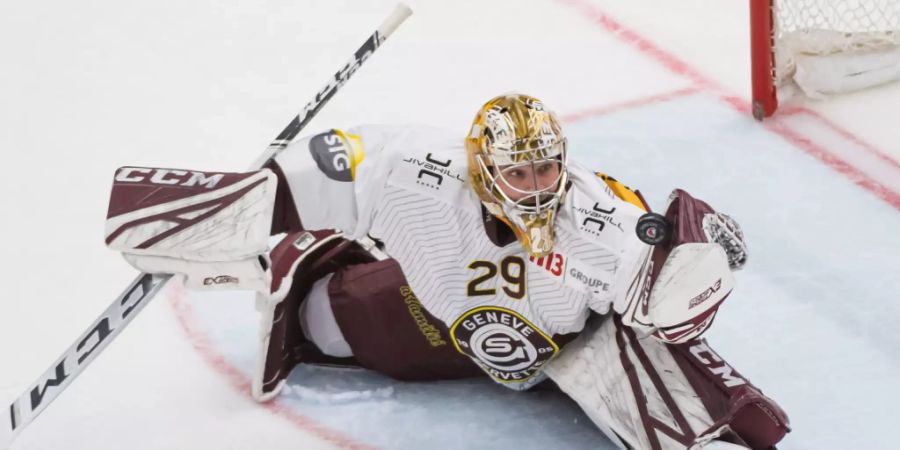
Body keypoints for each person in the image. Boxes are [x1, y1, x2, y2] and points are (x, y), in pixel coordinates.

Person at [104, 94, 789, 449]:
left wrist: (698, 265)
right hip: (428, 320)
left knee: (667, 381)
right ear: (483, 165)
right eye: (516, 171)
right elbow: (329, 165)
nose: (535, 184)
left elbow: (670, 299)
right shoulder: (418, 172)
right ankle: (305, 267)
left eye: (547, 166)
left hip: (563, 345)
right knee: (326, 325)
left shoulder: (604, 217)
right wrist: (218, 209)